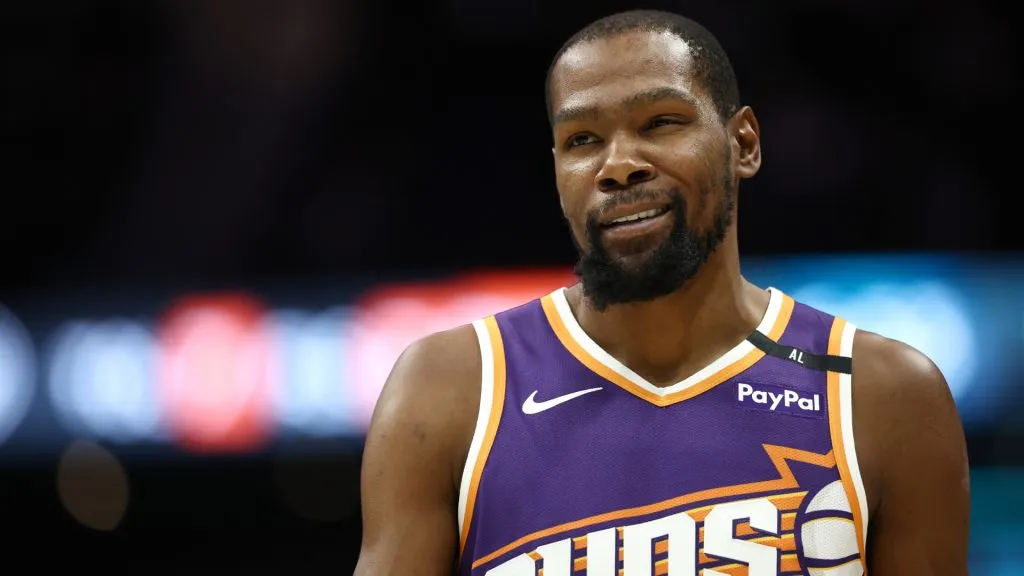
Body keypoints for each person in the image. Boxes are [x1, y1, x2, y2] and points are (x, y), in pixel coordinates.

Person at [354, 9, 970, 576]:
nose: (618, 164)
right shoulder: (450, 389)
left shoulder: (883, 395)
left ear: (744, 144)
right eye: (583, 140)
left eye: (661, 123)